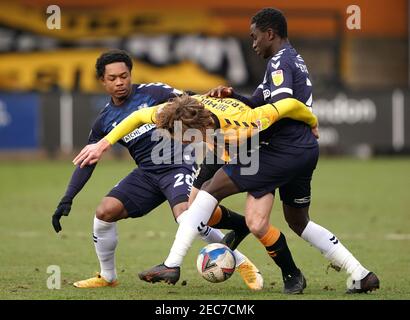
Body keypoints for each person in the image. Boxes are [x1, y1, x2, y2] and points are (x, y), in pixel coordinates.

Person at [137, 8, 380, 294]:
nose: (253, 44)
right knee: (296, 221)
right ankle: (360, 274)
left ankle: (172, 263)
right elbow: (261, 104)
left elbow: (281, 108)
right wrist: (234, 97)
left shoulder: (279, 63)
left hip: (281, 150)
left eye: (254, 38)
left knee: (211, 189)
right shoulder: (291, 60)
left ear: (270, 34)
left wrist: (306, 121)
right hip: (303, 151)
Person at [52, 49, 264, 290]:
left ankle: (242, 262)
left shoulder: (154, 92)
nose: (120, 82)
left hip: (178, 164)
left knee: (186, 216)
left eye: (124, 75)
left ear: (131, 74)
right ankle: (108, 276)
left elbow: (193, 103)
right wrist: (67, 198)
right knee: (104, 212)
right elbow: (89, 158)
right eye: (113, 78)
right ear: (102, 80)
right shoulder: (104, 120)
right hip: (147, 173)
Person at [72, 93, 319, 294]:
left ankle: (291, 274)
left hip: (253, 155)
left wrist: (312, 122)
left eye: (182, 136)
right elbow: (137, 116)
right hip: (218, 151)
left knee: (257, 222)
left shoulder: (244, 121)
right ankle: (237, 227)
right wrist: (103, 144)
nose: (180, 141)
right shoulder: (174, 114)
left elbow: (289, 104)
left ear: (198, 126)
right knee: (195, 213)